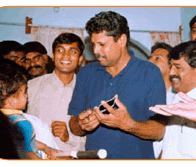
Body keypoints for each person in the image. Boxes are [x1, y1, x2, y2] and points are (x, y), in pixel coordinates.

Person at [68, 11, 166, 159]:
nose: (95, 51)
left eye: (102, 44)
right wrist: (82, 125)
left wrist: (128, 124)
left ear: (121, 40)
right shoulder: (86, 73)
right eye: (93, 44)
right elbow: (73, 126)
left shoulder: (150, 72)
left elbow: (159, 131)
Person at [150, 41, 196, 159]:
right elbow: (168, 147)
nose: (171, 73)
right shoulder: (176, 99)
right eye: (171, 66)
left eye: (178, 67)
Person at [0, 58, 62, 159]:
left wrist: (46, 148)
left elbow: (29, 142)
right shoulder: (21, 123)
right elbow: (28, 154)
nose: (26, 95)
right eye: (24, 91)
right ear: (11, 100)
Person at [27, 33, 86, 153]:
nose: (66, 56)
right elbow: (19, 126)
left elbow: (92, 138)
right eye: (60, 50)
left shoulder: (87, 91)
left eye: (73, 51)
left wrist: (69, 137)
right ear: (53, 56)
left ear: (80, 59)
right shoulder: (31, 87)